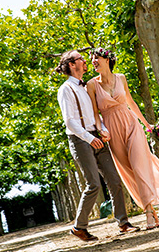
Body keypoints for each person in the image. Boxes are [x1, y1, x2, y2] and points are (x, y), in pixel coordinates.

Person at [86, 47, 159, 230]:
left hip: (131, 125)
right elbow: (94, 113)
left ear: (107, 60)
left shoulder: (121, 78)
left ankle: (148, 214)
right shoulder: (91, 85)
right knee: (131, 172)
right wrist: (101, 130)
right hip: (112, 131)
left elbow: (130, 103)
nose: (93, 61)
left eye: (96, 57)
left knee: (139, 165)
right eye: (92, 59)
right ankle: (152, 212)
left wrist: (148, 126)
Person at [56, 50, 139, 242]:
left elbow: (94, 113)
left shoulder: (87, 87)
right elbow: (69, 121)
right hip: (80, 140)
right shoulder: (66, 89)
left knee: (114, 179)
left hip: (97, 136)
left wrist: (102, 129)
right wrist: (88, 137)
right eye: (81, 59)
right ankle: (79, 227)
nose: (85, 61)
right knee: (93, 184)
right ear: (71, 65)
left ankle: (123, 223)